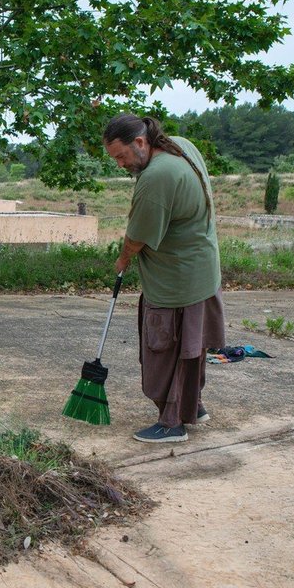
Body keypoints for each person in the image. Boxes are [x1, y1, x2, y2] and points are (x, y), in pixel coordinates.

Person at [104, 114, 225, 443]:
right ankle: (193, 405)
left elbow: (138, 235)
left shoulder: (156, 176)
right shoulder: (180, 147)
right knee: (191, 348)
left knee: (164, 352)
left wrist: (122, 260)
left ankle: (172, 422)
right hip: (201, 271)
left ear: (140, 143)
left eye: (121, 156)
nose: (119, 164)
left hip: (176, 283)